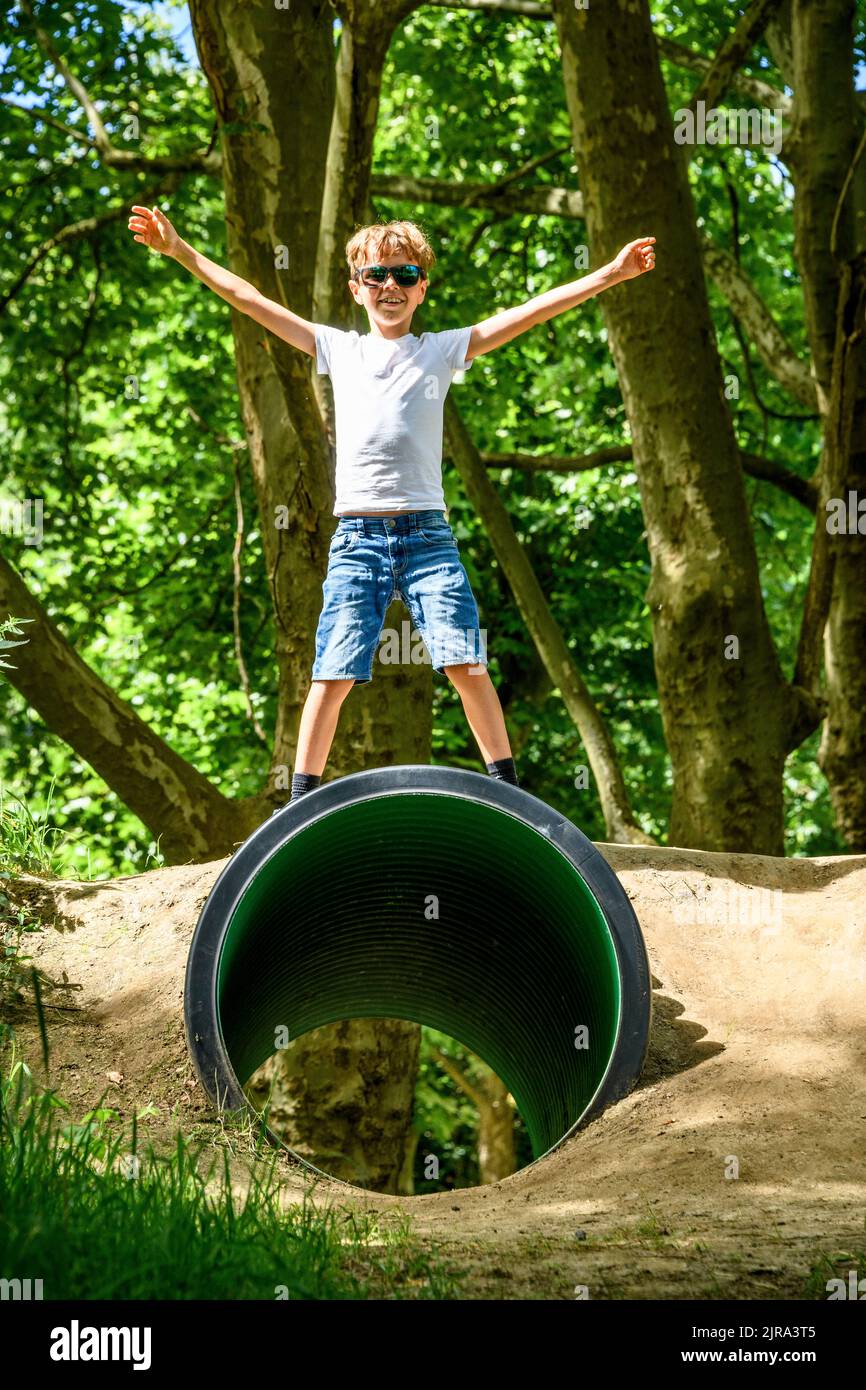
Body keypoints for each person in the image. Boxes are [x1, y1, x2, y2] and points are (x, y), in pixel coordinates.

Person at [127, 206, 655, 801]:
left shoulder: (443, 350)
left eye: (405, 276)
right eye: (377, 276)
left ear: (422, 288)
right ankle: (301, 801)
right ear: (356, 289)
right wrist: (179, 251)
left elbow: (529, 313)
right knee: (332, 671)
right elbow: (250, 299)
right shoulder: (337, 349)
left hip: (428, 536)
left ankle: (510, 795)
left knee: (465, 662)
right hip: (357, 538)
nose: (390, 287)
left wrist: (609, 275)